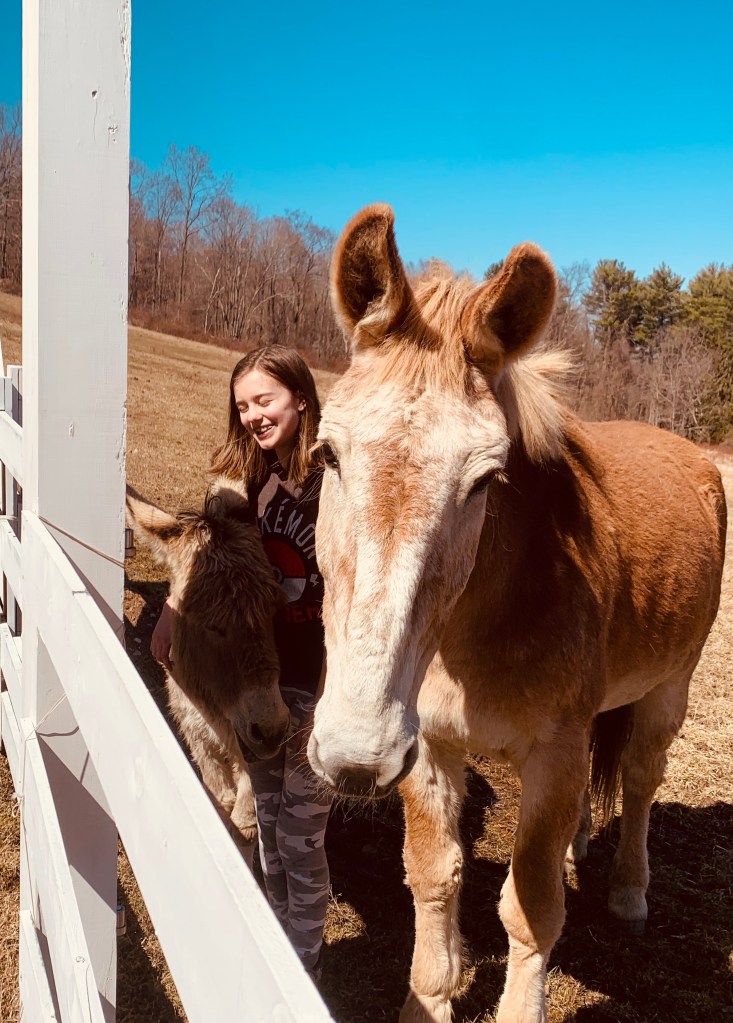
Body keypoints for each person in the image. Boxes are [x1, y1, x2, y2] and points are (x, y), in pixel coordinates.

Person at [151, 344, 332, 979]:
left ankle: (302, 970)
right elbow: (204, 554)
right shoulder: (244, 482)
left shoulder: (336, 479)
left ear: (300, 397)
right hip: (267, 676)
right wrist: (172, 606)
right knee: (269, 825)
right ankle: (272, 945)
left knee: (300, 839)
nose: (254, 415)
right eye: (243, 406)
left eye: (265, 400)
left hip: (322, 680)